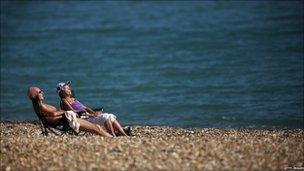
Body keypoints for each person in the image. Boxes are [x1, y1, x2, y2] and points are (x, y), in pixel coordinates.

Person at [27, 86, 113, 137]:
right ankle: (112, 139)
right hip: (65, 122)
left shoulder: (39, 105)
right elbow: (53, 114)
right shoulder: (41, 106)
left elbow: (52, 115)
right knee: (96, 128)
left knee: (96, 127)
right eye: (40, 91)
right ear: (35, 95)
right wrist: (65, 111)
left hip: (64, 121)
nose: (42, 92)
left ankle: (111, 137)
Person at [56, 81, 129, 137]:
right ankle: (113, 135)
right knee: (106, 117)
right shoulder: (64, 100)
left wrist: (93, 112)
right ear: (62, 91)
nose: (70, 89)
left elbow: (85, 108)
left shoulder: (74, 99)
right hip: (83, 119)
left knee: (110, 116)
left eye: (69, 88)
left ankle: (124, 135)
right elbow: (72, 111)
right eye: (67, 88)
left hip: (88, 116)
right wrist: (88, 114)